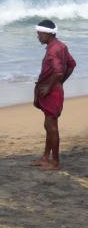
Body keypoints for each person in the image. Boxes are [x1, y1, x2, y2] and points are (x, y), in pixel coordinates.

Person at [31, 19, 76, 170]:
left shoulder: (52, 50)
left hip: (51, 92)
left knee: (51, 127)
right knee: (48, 124)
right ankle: (45, 157)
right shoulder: (60, 45)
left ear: (47, 34)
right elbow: (71, 64)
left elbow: (58, 72)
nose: (38, 37)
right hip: (54, 89)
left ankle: (55, 162)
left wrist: (51, 87)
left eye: (39, 34)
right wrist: (61, 82)